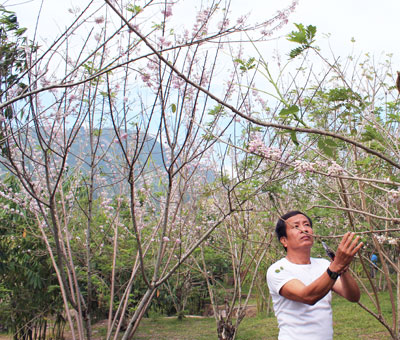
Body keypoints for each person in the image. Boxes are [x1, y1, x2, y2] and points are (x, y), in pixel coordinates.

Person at [266, 210, 363, 340]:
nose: (303, 229)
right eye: (296, 226)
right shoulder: (278, 270)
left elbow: (353, 296)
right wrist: (336, 266)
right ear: (284, 240)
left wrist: (343, 269)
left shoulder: (324, 265)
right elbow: (308, 296)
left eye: (306, 225)